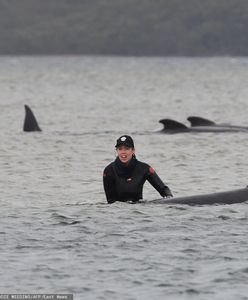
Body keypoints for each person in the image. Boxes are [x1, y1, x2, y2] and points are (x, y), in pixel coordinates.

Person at [103, 135, 173, 203]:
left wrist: (170, 199)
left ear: (133, 150)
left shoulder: (144, 168)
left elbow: (164, 189)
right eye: (120, 149)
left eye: (126, 149)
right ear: (117, 151)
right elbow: (111, 202)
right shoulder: (109, 171)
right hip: (118, 212)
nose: (123, 152)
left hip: (138, 211)